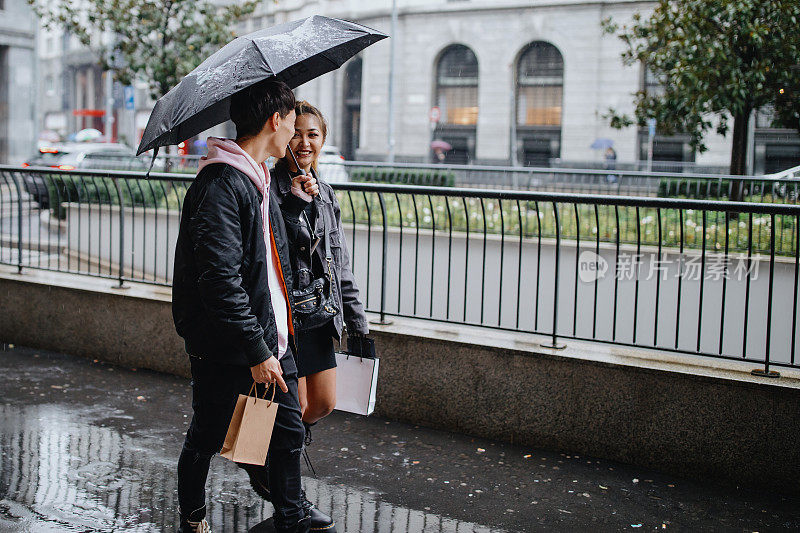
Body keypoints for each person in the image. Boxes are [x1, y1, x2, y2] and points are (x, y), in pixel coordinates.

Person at [171, 80, 334, 533]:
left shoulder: (256, 178)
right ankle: (194, 516)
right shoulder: (222, 183)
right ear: (274, 121)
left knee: (287, 431)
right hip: (230, 343)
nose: (294, 135)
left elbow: (265, 256)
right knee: (207, 432)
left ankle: (290, 512)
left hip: (269, 335)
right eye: (290, 123)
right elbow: (220, 279)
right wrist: (257, 350)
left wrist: (298, 203)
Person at [271, 101, 370, 436]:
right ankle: (286, 467)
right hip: (288, 316)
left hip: (320, 313)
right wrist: (297, 199)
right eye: (296, 134)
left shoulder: (326, 195)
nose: (304, 143)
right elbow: (278, 249)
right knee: (293, 406)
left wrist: (358, 323)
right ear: (283, 138)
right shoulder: (270, 189)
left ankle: (288, 444)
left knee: (325, 403)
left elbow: (340, 263)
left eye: (312, 134)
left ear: (322, 140)